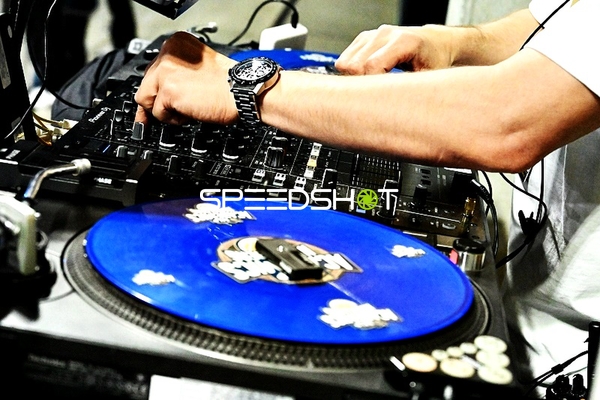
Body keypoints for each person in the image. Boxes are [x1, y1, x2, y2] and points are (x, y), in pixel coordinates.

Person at [134, 0, 600, 397]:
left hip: (569, 364)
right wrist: (455, 40)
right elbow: (558, 21)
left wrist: (249, 88)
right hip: (526, 301)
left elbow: (506, 122)